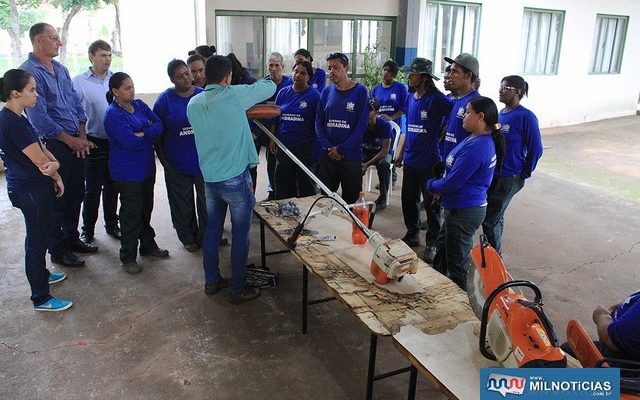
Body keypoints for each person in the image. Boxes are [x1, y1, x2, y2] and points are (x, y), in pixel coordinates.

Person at [187, 55, 276, 304]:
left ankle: (212, 281)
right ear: (228, 77)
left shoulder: (193, 103)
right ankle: (237, 289)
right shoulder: (234, 94)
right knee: (240, 233)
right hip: (235, 180)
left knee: (212, 229)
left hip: (210, 180)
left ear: (204, 75)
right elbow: (270, 86)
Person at [21, 22, 97, 268]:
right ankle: (58, 249)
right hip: (54, 144)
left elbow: (76, 103)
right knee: (59, 196)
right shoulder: (29, 73)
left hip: (76, 141)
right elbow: (40, 118)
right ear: (37, 41)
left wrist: (82, 136)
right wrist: (72, 141)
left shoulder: (61, 70)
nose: (59, 42)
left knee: (76, 194)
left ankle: (72, 238)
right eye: (53, 38)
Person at [0, 69, 71, 311]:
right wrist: (57, 167)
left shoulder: (19, 116)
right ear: (15, 93)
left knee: (39, 235)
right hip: (29, 190)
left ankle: (41, 274)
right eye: (31, 90)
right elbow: (42, 161)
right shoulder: (11, 121)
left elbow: (41, 146)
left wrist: (56, 171)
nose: (36, 95)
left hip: (34, 186)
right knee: (37, 240)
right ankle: (41, 297)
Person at [427, 96, 504, 290]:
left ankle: (463, 304)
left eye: (468, 112)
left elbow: (453, 182)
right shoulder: (474, 138)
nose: (463, 115)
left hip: (464, 211)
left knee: (457, 264)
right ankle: (440, 288)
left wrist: (431, 185)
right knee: (443, 247)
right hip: (456, 207)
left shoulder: (479, 147)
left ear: (480, 117)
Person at [104, 72, 169, 274]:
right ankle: (128, 256)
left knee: (145, 209)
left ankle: (148, 245)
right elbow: (128, 141)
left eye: (132, 86)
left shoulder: (139, 105)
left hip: (146, 167)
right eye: (126, 88)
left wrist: (144, 133)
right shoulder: (113, 114)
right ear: (115, 91)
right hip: (127, 171)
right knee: (131, 214)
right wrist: (146, 134)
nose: (131, 90)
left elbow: (159, 125)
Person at [394, 58, 452, 263]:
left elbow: (456, 115)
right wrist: (400, 153)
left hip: (430, 162)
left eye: (412, 74)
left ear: (424, 77)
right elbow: (409, 128)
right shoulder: (411, 98)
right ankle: (412, 234)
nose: (408, 77)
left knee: (432, 206)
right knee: (408, 200)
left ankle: (432, 242)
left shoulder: (438, 99)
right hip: (411, 160)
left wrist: (444, 132)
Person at [482, 75, 543, 254]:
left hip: (510, 176)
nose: (500, 91)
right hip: (496, 174)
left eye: (505, 88)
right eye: (500, 87)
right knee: (496, 217)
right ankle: (494, 254)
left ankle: (494, 261)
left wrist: (524, 173)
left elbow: (536, 149)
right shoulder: (501, 114)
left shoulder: (526, 117)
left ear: (518, 92)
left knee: (489, 219)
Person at [153, 59, 206, 253]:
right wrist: (164, 160)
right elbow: (157, 131)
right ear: (171, 80)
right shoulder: (165, 100)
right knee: (181, 204)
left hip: (204, 162)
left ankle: (207, 236)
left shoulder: (203, 96)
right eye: (180, 76)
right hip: (176, 163)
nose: (186, 78)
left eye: (187, 73)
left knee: (207, 203)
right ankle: (188, 237)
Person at [72, 39, 120, 244]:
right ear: (91, 56)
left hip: (115, 143)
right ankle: (88, 231)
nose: (107, 59)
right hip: (92, 143)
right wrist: (80, 139)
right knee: (92, 189)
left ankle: (112, 225)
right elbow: (74, 112)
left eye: (109, 55)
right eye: (103, 55)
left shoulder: (115, 79)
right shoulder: (79, 82)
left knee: (112, 187)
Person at [315, 52, 369, 204]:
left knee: (351, 202)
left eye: (336, 68)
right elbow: (319, 122)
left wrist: (341, 149)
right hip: (328, 156)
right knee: (325, 200)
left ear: (347, 68)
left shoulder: (360, 92)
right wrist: (328, 147)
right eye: (330, 68)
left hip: (350, 157)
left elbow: (361, 126)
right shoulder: (326, 92)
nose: (332, 71)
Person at [271, 60, 319, 199]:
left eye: (303, 73)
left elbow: (318, 123)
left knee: (305, 183)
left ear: (308, 77)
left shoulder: (314, 96)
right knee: (283, 181)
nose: (298, 75)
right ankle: (284, 212)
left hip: (304, 146)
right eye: (296, 71)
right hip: (284, 145)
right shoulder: (282, 93)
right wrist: (272, 139)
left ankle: (307, 215)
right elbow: (275, 118)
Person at [260, 52, 293, 200]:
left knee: (287, 166)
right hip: (269, 132)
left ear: (283, 67)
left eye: (277, 65)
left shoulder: (290, 84)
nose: (274, 69)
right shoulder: (262, 85)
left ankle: (288, 193)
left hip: (287, 131)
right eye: (271, 65)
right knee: (271, 163)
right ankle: (273, 191)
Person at [441, 53, 481, 159]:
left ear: (468, 76)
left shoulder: (475, 103)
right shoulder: (457, 100)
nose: (449, 75)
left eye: (455, 72)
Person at [361, 99, 393, 210]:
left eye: (370, 110)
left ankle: (383, 199)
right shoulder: (360, 124)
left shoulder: (385, 125)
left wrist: (367, 164)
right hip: (365, 152)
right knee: (353, 162)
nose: (367, 112)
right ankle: (356, 196)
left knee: (384, 165)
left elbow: (385, 150)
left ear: (377, 113)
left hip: (381, 153)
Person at [370, 60, 407, 127]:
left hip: (394, 127)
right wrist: (378, 116)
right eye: (384, 69)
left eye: (389, 71)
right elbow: (372, 109)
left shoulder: (401, 88)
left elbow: (403, 109)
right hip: (379, 127)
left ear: (394, 74)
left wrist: (391, 118)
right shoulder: (375, 89)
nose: (386, 72)